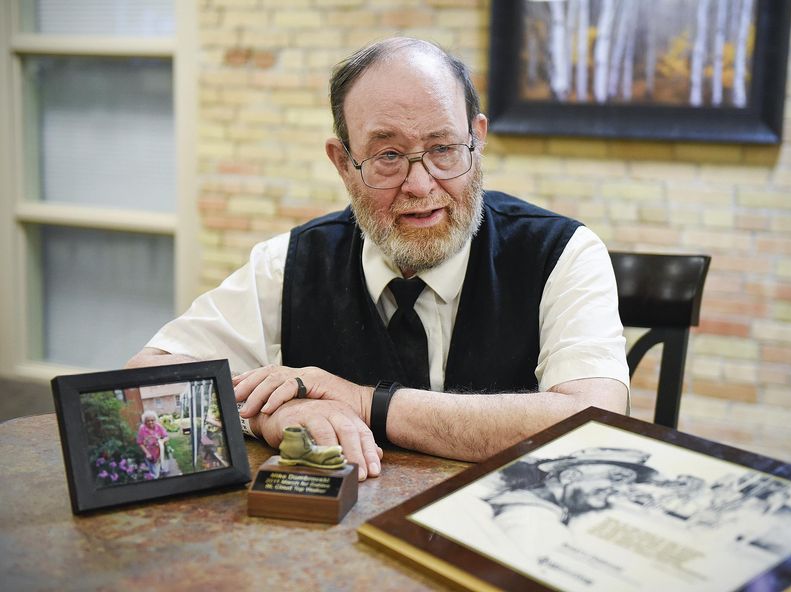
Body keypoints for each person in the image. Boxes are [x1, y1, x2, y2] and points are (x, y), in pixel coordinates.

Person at [127, 37, 629, 482]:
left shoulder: (562, 254)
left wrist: (365, 403)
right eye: (388, 156)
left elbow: (594, 424)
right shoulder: (290, 264)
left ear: (477, 140)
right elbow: (143, 384)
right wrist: (267, 415)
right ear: (343, 163)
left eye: (443, 148)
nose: (421, 185)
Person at [137, 410, 169, 479]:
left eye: (152, 420)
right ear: (145, 421)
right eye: (148, 421)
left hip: (160, 451)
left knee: (163, 464)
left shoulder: (159, 426)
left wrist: (162, 441)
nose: (150, 422)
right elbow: (140, 443)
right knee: (154, 471)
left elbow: (166, 436)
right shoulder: (142, 429)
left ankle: (163, 471)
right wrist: (147, 453)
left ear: (155, 420)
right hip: (150, 452)